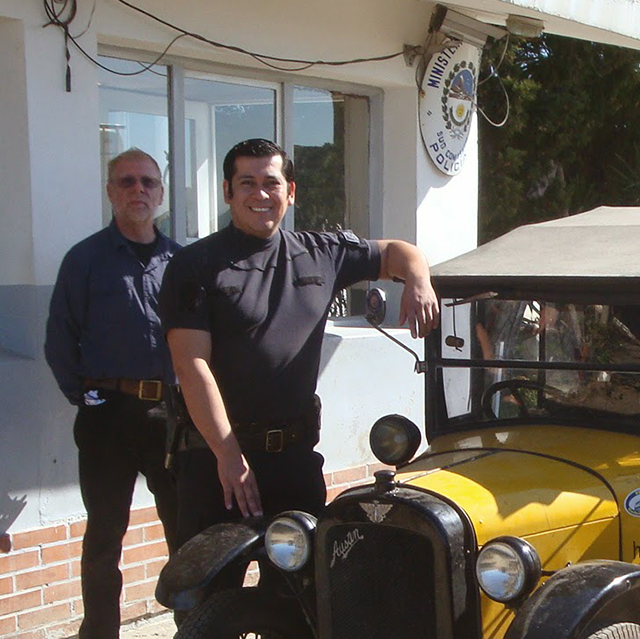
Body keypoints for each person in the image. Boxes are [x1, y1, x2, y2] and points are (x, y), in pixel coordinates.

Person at [158, 138, 439, 541]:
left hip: (293, 460)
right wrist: (228, 455)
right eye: (246, 183)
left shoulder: (321, 252)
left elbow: (397, 251)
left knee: (300, 593)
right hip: (216, 462)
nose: (260, 194)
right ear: (227, 191)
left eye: (271, 183)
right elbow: (190, 364)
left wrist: (418, 279)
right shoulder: (195, 265)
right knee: (208, 596)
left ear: (290, 192)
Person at [44, 148, 182, 639]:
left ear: (161, 194)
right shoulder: (85, 260)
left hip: (170, 415)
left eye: (148, 182)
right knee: (106, 533)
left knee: (184, 529)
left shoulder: (178, 261)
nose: (138, 190)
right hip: (108, 417)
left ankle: (191, 630)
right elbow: (60, 338)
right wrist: (85, 397)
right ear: (110, 191)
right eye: (127, 181)